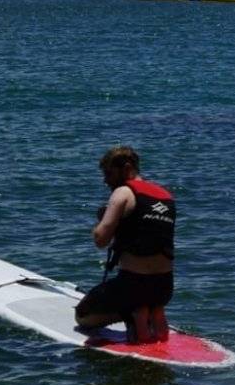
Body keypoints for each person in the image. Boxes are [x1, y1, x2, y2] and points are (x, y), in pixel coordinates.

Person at [75, 146, 175, 343]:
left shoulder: (123, 192)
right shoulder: (166, 196)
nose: (105, 180)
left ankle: (136, 313)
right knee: (150, 300)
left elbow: (100, 240)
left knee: (82, 316)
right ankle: (154, 313)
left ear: (127, 168)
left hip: (133, 285)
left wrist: (102, 220)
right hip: (164, 287)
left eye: (109, 173)